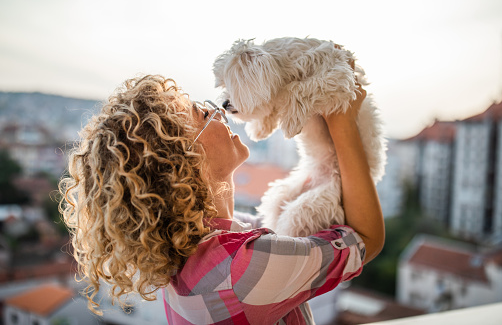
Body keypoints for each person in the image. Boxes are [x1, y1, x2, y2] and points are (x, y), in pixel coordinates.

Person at [59, 71, 384, 324]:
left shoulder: (196, 249)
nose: (220, 113)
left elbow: (295, 228)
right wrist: (342, 117)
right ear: (184, 164)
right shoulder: (242, 268)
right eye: (202, 114)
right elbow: (366, 239)